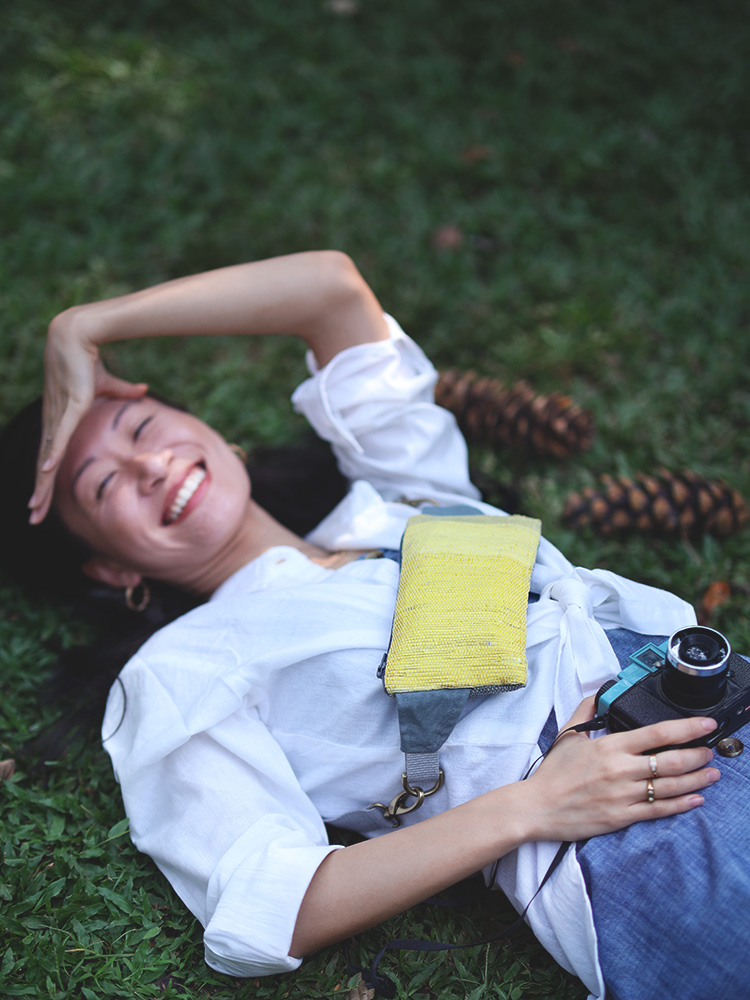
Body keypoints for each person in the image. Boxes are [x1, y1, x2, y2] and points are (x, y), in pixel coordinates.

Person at [4, 251, 746, 1000]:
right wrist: (533, 807)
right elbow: (270, 906)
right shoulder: (181, 666)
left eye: (141, 425)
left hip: (716, 697)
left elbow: (328, 288)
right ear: (109, 569)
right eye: (104, 486)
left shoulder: (396, 492)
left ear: (211, 430)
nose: (151, 466)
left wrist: (85, 326)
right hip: (635, 830)